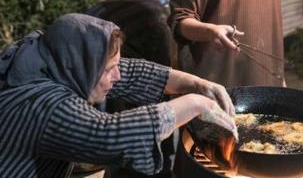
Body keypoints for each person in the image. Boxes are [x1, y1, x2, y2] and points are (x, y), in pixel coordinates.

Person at [0, 13, 237, 177]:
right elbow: (111, 136)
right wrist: (196, 104)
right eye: (108, 69)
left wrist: (197, 84)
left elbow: (128, 71)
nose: (118, 76)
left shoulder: (48, 58)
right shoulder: (42, 105)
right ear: (80, 67)